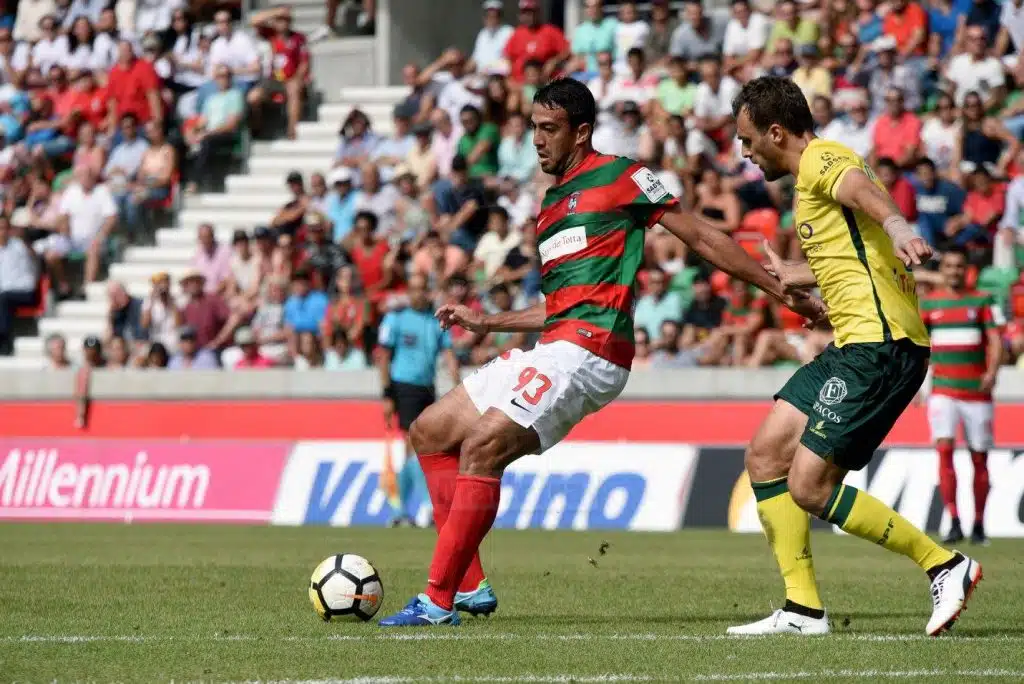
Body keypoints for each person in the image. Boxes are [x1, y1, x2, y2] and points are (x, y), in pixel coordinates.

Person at [378, 77, 823, 627]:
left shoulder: (622, 177)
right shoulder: (549, 206)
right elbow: (561, 304)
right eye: (534, 128)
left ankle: (436, 600)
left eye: (549, 129)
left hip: (590, 355)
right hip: (553, 345)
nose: (537, 140)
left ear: (581, 132)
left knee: (482, 448)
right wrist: (487, 320)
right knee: (428, 432)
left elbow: (702, 237)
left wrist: (778, 289)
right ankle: (468, 586)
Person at [727, 75, 980, 637]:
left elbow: (866, 193)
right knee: (766, 455)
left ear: (775, 131)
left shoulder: (823, 158)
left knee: (809, 487)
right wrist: (804, 284)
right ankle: (802, 610)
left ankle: (945, 564)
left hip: (880, 348)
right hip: (852, 341)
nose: (744, 152)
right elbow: (855, 258)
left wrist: (898, 223)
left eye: (747, 139)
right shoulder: (808, 182)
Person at [920, 247, 1002, 546]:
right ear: (942, 270)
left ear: (966, 270)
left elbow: (995, 340)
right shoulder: (929, 304)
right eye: (949, 266)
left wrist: (992, 372)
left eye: (959, 266)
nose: (954, 271)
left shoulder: (981, 300)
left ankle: (979, 524)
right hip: (943, 391)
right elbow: (920, 347)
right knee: (944, 452)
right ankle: (954, 521)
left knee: (979, 458)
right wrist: (918, 383)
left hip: (976, 393)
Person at [377, 272, 461, 528]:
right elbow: (383, 357)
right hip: (404, 387)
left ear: (428, 291)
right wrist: (387, 394)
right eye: (413, 289)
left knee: (420, 448)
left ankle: (400, 510)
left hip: (427, 389)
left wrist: (458, 385)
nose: (418, 294)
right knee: (413, 445)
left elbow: (448, 354)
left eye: (422, 288)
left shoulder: (435, 321)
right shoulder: (396, 319)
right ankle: (422, 506)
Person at [0, 216, 38, 355]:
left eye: (5, 228)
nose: (2, 232)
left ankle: (4, 340)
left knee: (3, 299)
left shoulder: (19, 245)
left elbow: (34, 255)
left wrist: (24, 238)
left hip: (25, 292)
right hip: (5, 294)